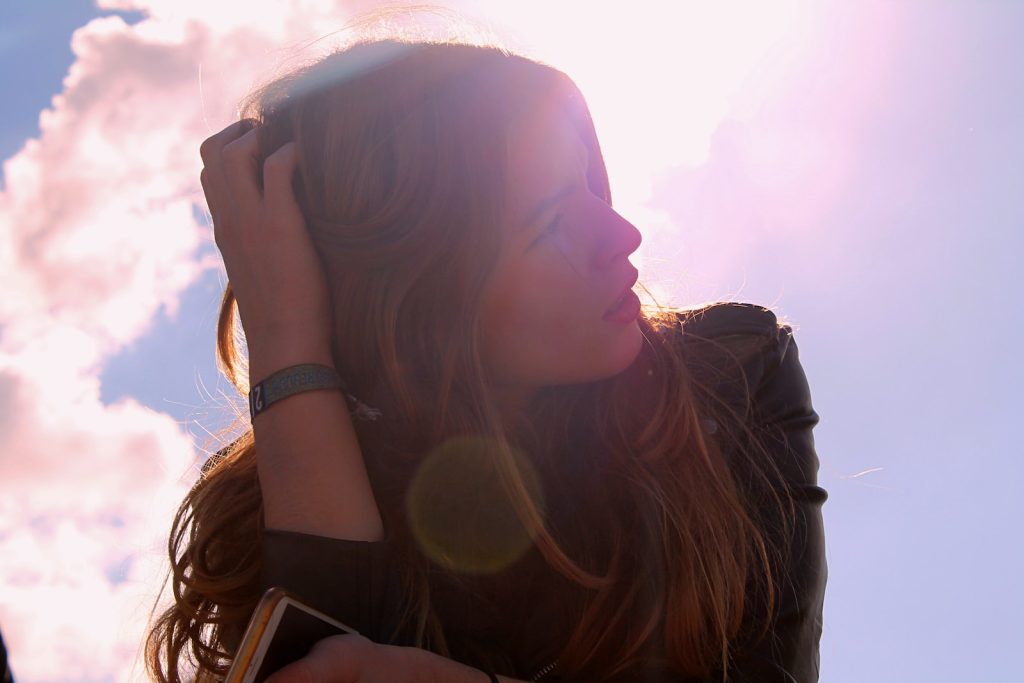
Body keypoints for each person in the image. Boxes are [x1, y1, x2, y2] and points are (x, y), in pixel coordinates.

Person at [146, 29, 827, 683]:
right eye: (549, 225)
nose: (621, 233)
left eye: (589, 185)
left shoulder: (731, 375)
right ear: (421, 307)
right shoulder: (268, 495)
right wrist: (287, 337)